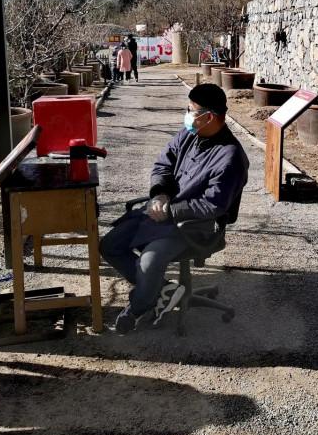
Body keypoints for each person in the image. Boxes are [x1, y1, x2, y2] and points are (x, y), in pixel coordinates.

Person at [100, 82, 249, 333]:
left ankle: (138, 308)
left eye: (191, 111)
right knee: (109, 245)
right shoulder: (189, 134)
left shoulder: (230, 156)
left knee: (149, 261)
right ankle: (164, 290)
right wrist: (159, 194)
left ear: (209, 117)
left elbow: (213, 205)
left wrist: (170, 210)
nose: (187, 115)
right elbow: (163, 165)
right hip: (162, 211)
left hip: (194, 226)